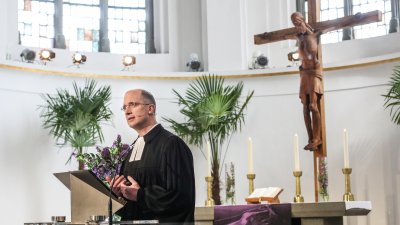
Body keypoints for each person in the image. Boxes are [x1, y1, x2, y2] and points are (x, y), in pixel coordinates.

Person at [107, 89, 195, 224]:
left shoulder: (172, 144)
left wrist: (140, 195)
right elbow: (128, 208)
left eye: (133, 104)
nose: (127, 111)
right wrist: (118, 194)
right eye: (124, 107)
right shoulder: (131, 150)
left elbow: (182, 198)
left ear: (150, 109)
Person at [290, 12, 324, 151]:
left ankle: (317, 138)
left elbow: (336, 25)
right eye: (294, 23)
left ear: (303, 20)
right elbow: (279, 35)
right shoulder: (298, 37)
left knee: (313, 106)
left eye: (298, 21)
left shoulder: (315, 34)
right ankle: (311, 138)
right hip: (304, 74)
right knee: (305, 108)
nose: (297, 25)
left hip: (314, 72)